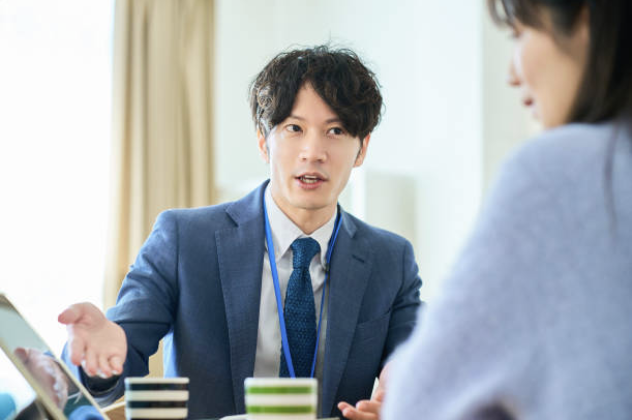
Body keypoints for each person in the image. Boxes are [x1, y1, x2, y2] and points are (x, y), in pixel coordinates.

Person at [58, 45, 423, 420]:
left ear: (362, 148)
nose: (313, 152)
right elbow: (119, 353)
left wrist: (407, 390)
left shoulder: (390, 260)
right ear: (264, 141)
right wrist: (99, 357)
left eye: (336, 130)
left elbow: (412, 360)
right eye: (294, 128)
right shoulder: (185, 239)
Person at [383, 0, 632, 418]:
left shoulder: (563, 171)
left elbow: (415, 404)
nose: (512, 75)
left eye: (520, 34)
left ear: (586, 19)